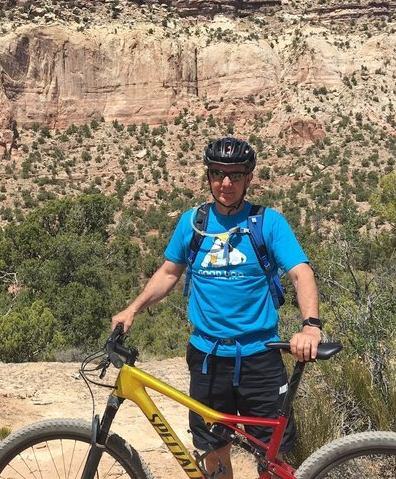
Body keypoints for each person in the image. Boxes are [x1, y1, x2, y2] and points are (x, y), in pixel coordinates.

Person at [111, 136, 322, 479]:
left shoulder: (267, 223)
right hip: (208, 358)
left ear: (248, 179)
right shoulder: (193, 223)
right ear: (208, 176)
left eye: (235, 175)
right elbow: (168, 273)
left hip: (260, 357)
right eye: (218, 174)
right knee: (214, 453)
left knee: (272, 459)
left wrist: (310, 325)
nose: (226, 183)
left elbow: (301, 274)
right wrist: (132, 309)